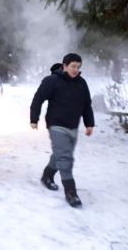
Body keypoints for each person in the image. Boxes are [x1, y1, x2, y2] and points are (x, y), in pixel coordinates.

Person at [30, 53, 94, 208]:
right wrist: (34, 118)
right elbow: (38, 99)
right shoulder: (52, 81)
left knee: (61, 155)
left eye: (78, 67)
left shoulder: (81, 83)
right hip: (56, 125)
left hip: (73, 126)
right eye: (73, 66)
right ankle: (71, 193)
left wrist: (89, 123)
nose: (75, 70)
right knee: (65, 158)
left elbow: (86, 105)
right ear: (64, 66)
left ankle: (47, 176)